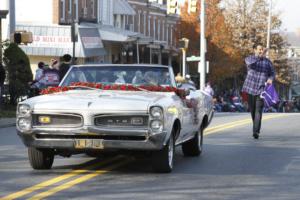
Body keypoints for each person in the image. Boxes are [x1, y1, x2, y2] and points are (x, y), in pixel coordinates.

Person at [242, 43, 275, 139]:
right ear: (255, 50)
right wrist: (259, 57)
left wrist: (271, 78)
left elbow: (272, 72)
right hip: (250, 88)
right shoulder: (249, 59)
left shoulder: (268, 62)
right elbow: (250, 64)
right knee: (252, 110)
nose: (261, 51)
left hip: (261, 89)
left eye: (262, 49)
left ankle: (255, 131)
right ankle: (255, 126)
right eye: (259, 49)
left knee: (258, 111)